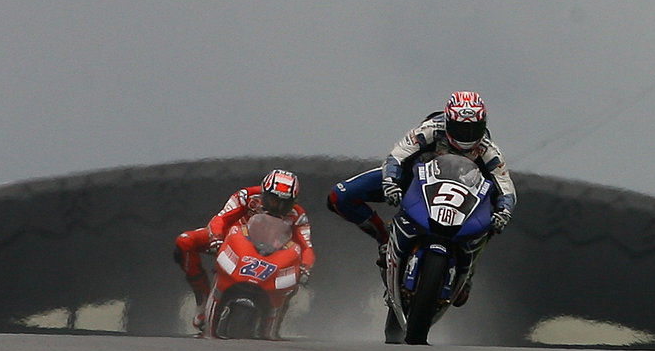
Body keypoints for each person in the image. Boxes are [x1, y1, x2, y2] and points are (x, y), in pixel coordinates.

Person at [327, 90, 514, 304]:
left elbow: (506, 186)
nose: (467, 134)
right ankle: (385, 238)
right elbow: (397, 155)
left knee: (493, 218)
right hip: (415, 182)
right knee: (339, 196)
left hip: (462, 199)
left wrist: (504, 210)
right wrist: (391, 181)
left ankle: (468, 269)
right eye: (461, 128)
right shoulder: (431, 129)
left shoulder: (488, 149)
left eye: (473, 128)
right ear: (449, 120)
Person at [173, 168, 316, 330]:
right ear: (264, 193)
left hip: (273, 253)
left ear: (294, 202)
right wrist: (217, 238)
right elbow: (221, 218)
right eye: (274, 200)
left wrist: (305, 268)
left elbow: (306, 247)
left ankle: (275, 322)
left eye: (285, 203)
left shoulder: (298, 216)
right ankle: (203, 298)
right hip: (233, 240)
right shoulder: (246, 196)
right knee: (185, 242)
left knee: (294, 279)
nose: (278, 207)